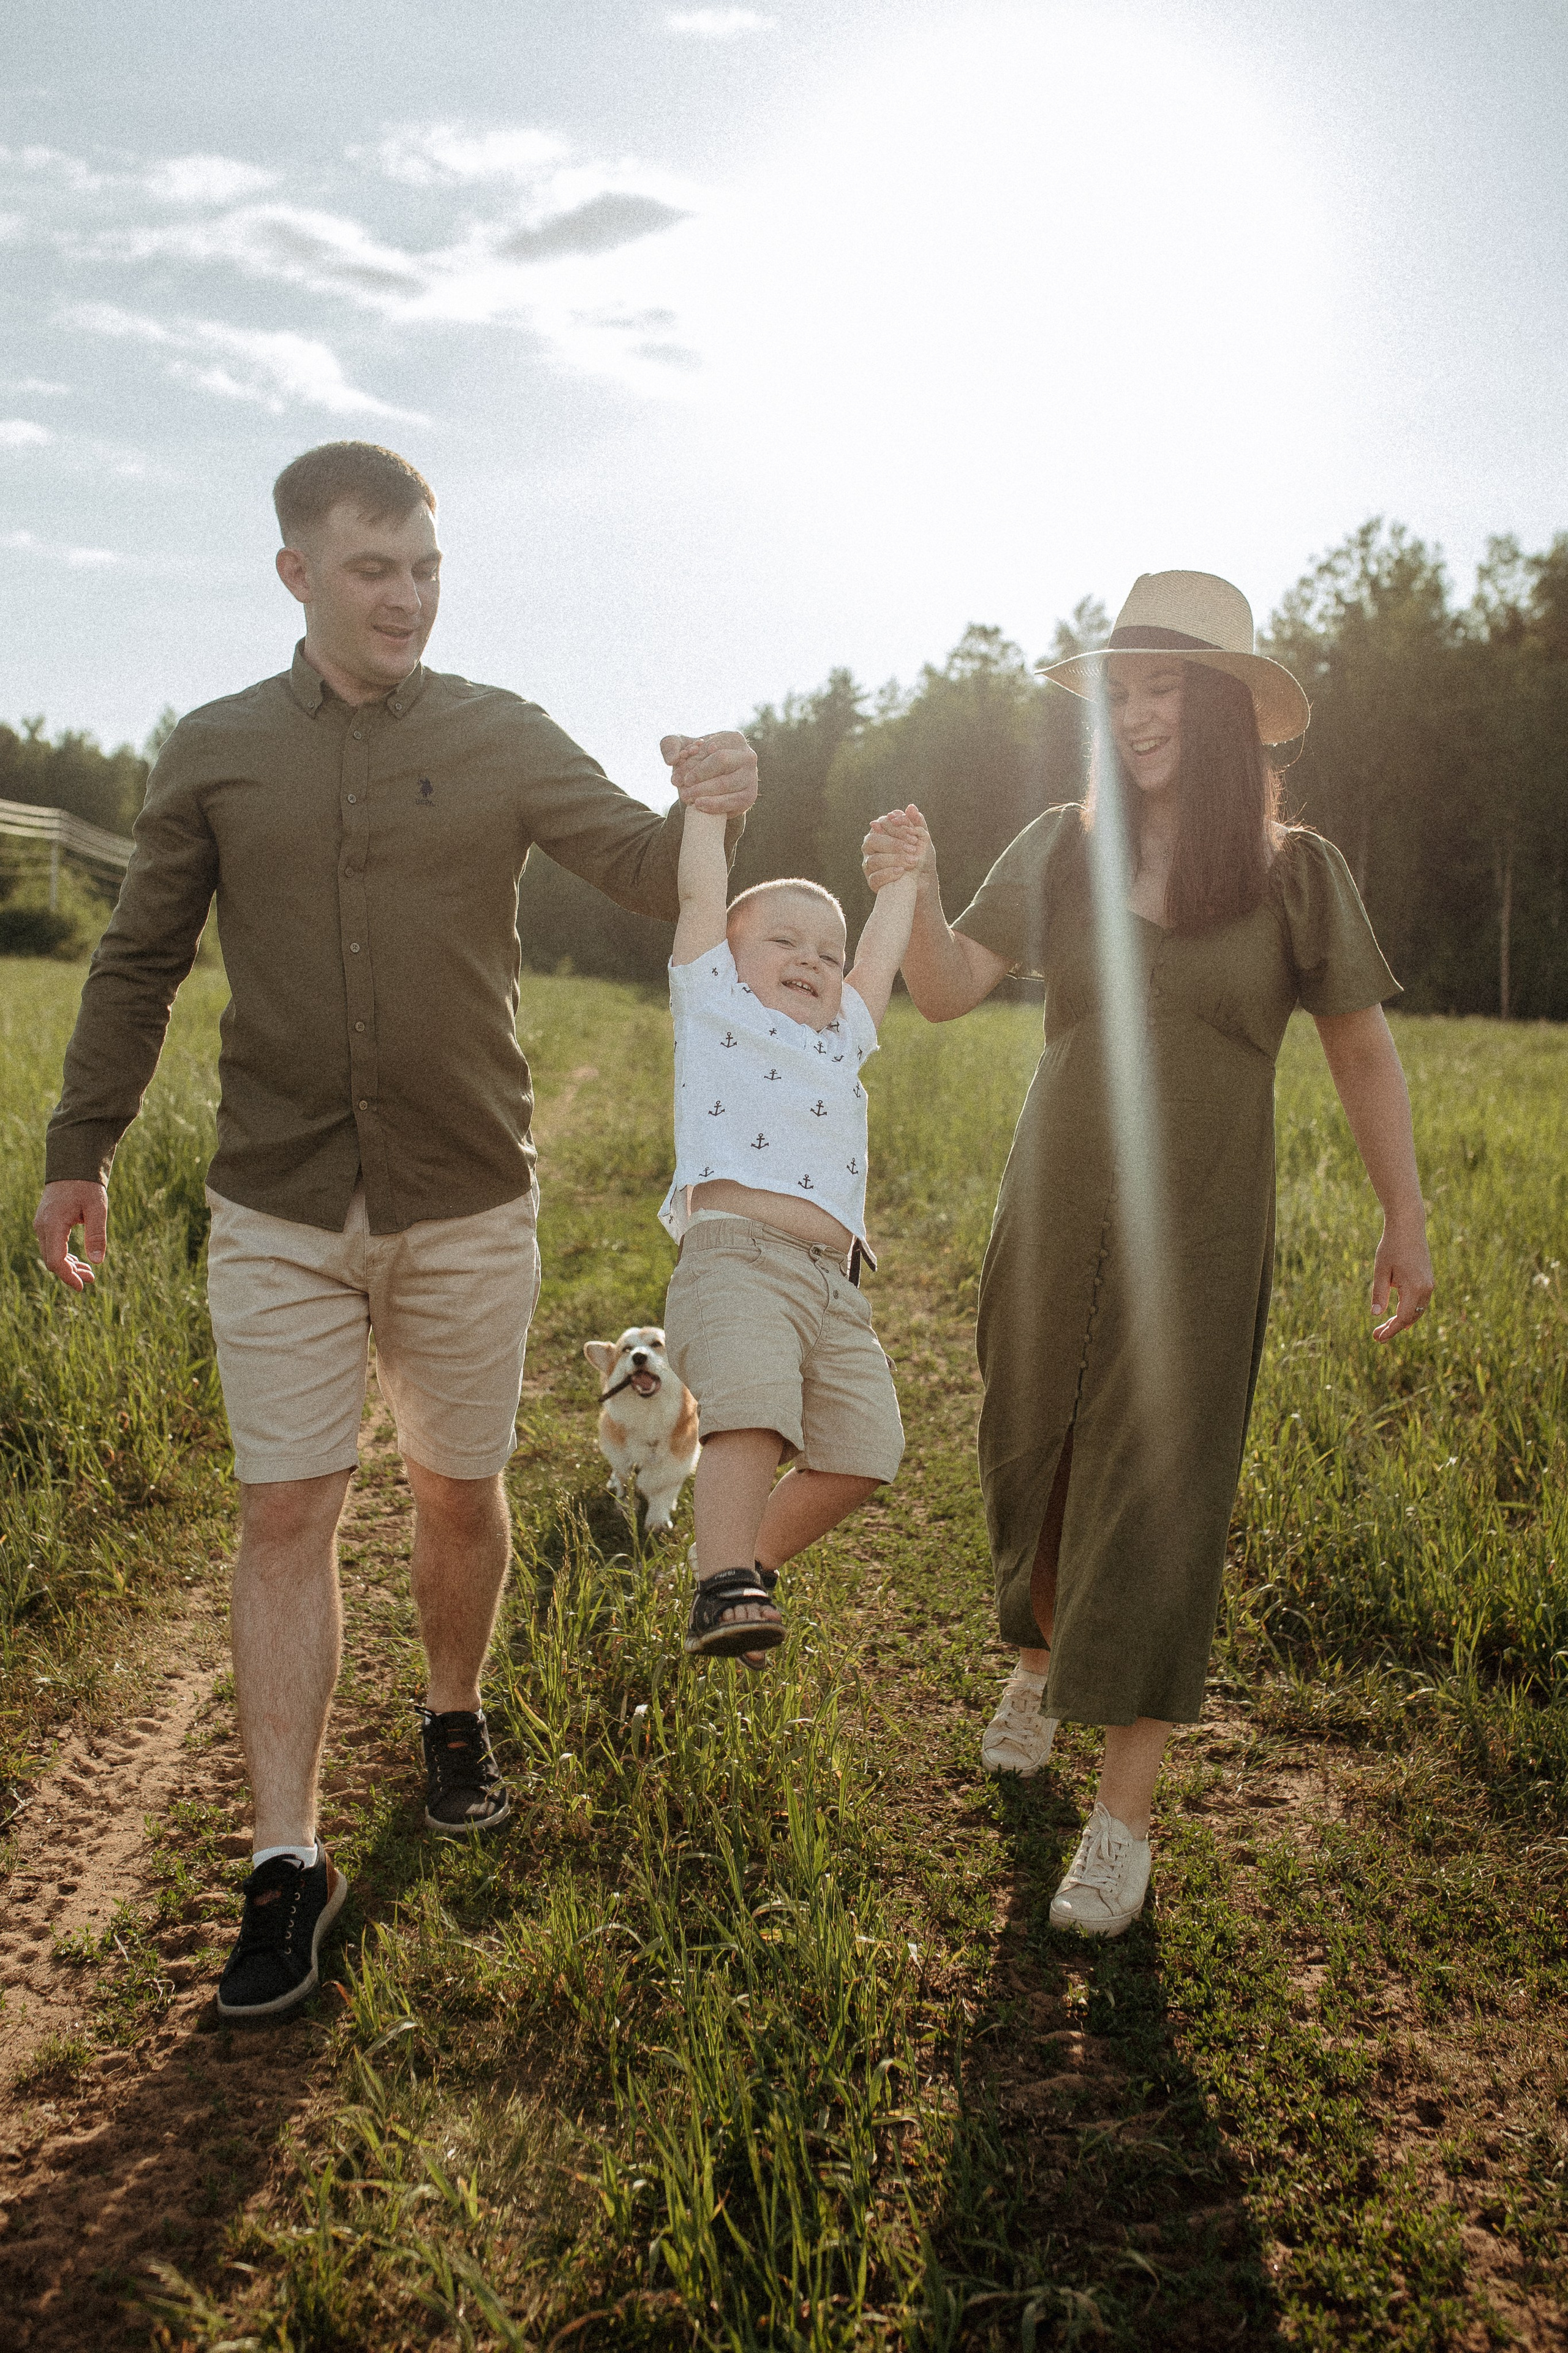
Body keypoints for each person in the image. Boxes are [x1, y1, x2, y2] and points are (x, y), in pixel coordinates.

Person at [32, 440, 757, 2020]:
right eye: (374, 568)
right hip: (277, 1202)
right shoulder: (216, 750)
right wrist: (78, 1145)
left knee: (456, 1485)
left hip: (466, 1198)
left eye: (426, 566)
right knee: (285, 1511)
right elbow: (140, 956)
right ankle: (283, 1863)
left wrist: (713, 803)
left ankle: (450, 1714)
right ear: (297, 573)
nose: (407, 596)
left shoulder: (498, 734)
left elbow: (642, 866)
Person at [864, 570, 1434, 1938]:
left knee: (1164, 1485)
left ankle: (1119, 1823)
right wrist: (917, 887)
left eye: (1161, 686)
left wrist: (1401, 1216)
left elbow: (1358, 1042)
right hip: (1054, 1190)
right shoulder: (1059, 846)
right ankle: (1033, 1660)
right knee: (1034, 1439)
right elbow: (941, 991)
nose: (1132, 714)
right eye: (1118, 692)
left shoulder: (1297, 873)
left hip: (1203, 1212)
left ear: (1228, 706)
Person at [657, 744, 925, 1660]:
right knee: (755, 1414)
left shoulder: (842, 1034)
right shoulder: (714, 1004)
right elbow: (701, 898)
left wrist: (904, 882)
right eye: (784, 942)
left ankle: (751, 1566)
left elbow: (881, 963)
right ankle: (717, 1577)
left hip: (835, 1286)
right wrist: (705, 811)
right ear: (728, 960)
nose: (811, 961)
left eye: (827, 952)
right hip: (736, 1258)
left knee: (864, 1448)